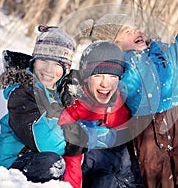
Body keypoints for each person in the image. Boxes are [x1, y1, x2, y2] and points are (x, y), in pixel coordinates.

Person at [80, 0, 178, 188]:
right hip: (143, 127)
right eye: (127, 32)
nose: (137, 33)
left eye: (136, 29)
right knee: (156, 177)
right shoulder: (118, 65)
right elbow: (104, 90)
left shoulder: (164, 52)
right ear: (115, 43)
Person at [0, 25, 114, 184]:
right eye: (43, 60)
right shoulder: (22, 93)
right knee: (53, 163)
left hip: (42, 157)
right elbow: (45, 141)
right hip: (13, 162)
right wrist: (85, 139)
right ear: (34, 61)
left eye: (57, 65)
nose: (49, 70)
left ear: (66, 69)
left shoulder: (61, 92)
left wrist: (98, 131)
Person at [57, 41, 141, 188]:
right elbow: (72, 161)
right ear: (86, 76)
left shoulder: (125, 103)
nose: (105, 84)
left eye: (112, 76)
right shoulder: (74, 106)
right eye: (98, 75)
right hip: (91, 176)